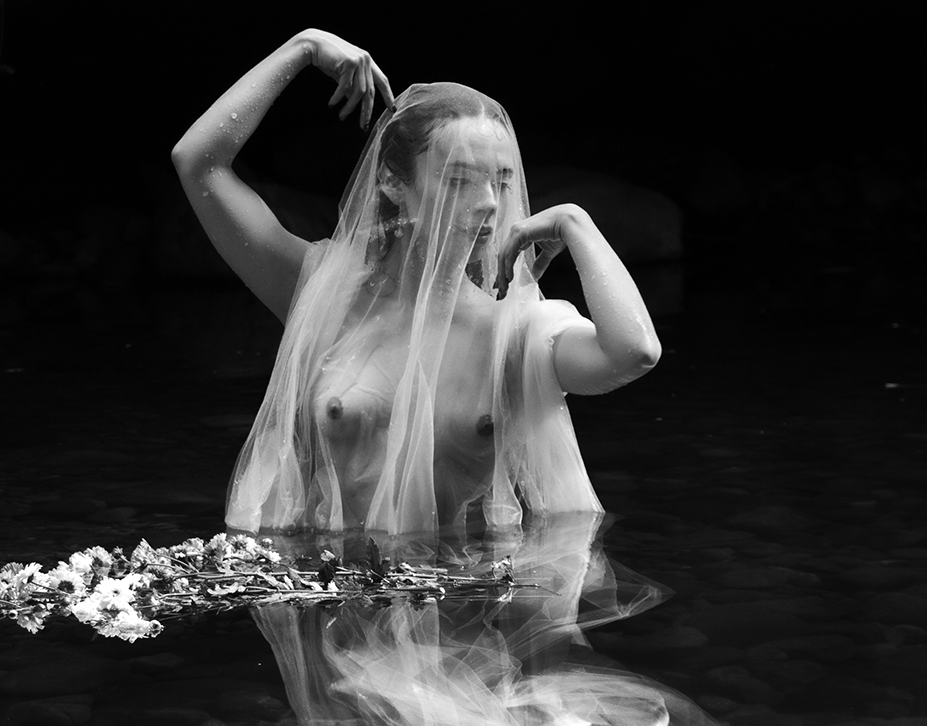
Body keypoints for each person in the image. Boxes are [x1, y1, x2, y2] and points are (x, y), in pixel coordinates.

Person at [171, 29, 660, 535]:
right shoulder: (318, 291)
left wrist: (576, 223)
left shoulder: (514, 332)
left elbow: (635, 352)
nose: (489, 203)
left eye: (501, 181)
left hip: (464, 581)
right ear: (392, 182)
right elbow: (198, 164)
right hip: (330, 578)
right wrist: (304, 47)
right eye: (459, 179)